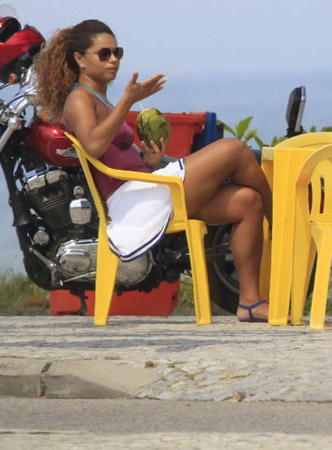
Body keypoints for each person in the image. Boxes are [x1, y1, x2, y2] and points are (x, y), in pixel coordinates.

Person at [34, 19, 273, 323]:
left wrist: (150, 161)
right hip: (135, 200)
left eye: (117, 52)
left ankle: (250, 303)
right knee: (235, 149)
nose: (114, 60)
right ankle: (279, 217)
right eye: (104, 54)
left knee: (248, 202)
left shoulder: (98, 97)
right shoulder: (79, 98)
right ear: (80, 59)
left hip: (148, 185)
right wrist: (128, 101)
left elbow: (114, 155)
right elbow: (93, 145)